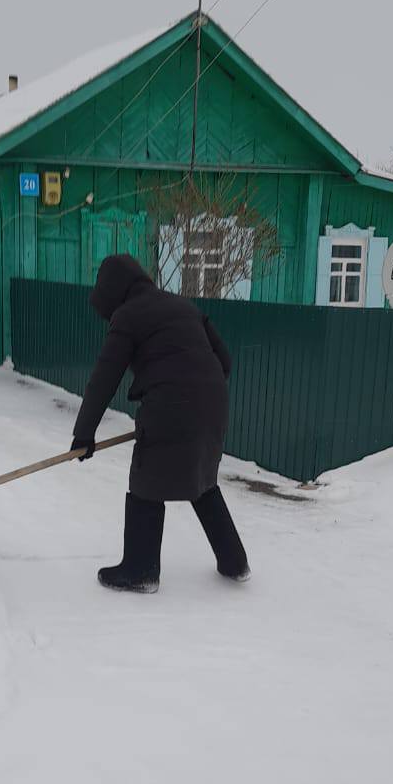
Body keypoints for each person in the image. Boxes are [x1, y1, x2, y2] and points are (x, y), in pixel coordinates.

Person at [72, 253, 250, 593]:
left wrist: (84, 433)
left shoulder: (129, 315)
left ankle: (140, 570)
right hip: (214, 402)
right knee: (203, 480)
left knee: (146, 480)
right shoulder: (183, 306)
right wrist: (199, 392)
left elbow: (104, 378)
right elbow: (224, 359)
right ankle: (234, 562)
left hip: (170, 406)